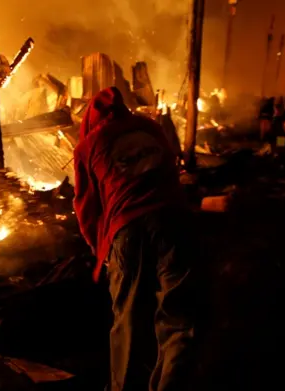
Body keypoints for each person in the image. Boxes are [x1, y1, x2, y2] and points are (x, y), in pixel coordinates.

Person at [73, 87, 196, 391]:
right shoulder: (151, 127)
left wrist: (100, 251)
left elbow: (87, 208)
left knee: (128, 320)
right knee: (179, 317)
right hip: (175, 221)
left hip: (129, 229)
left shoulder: (88, 145)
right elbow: (172, 171)